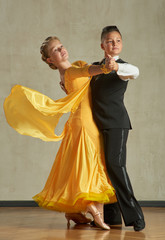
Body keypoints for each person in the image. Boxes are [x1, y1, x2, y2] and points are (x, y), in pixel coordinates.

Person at [4, 36, 118, 230]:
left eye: (61, 46)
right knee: (93, 165)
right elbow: (88, 70)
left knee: (81, 167)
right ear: (50, 60)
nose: (62, 50)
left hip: (78, 122)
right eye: (56, 50)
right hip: (84, 122)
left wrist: (103, 65)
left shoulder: (68, 71)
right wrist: (107, 67)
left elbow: (86, 71)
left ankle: (75, 211)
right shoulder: (71, 71)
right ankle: (94, 209)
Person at [90, 26, 145, 231]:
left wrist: (116, 68)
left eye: (118, 41)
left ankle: (135, 216)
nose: (114, 44)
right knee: (104, 170)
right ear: (102, 44)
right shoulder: (95, 68)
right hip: (97, 125)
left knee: (116, 166)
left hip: (116, 124)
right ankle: (111, 217)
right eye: (110, 41)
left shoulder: (123, 68)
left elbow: (135, 72)